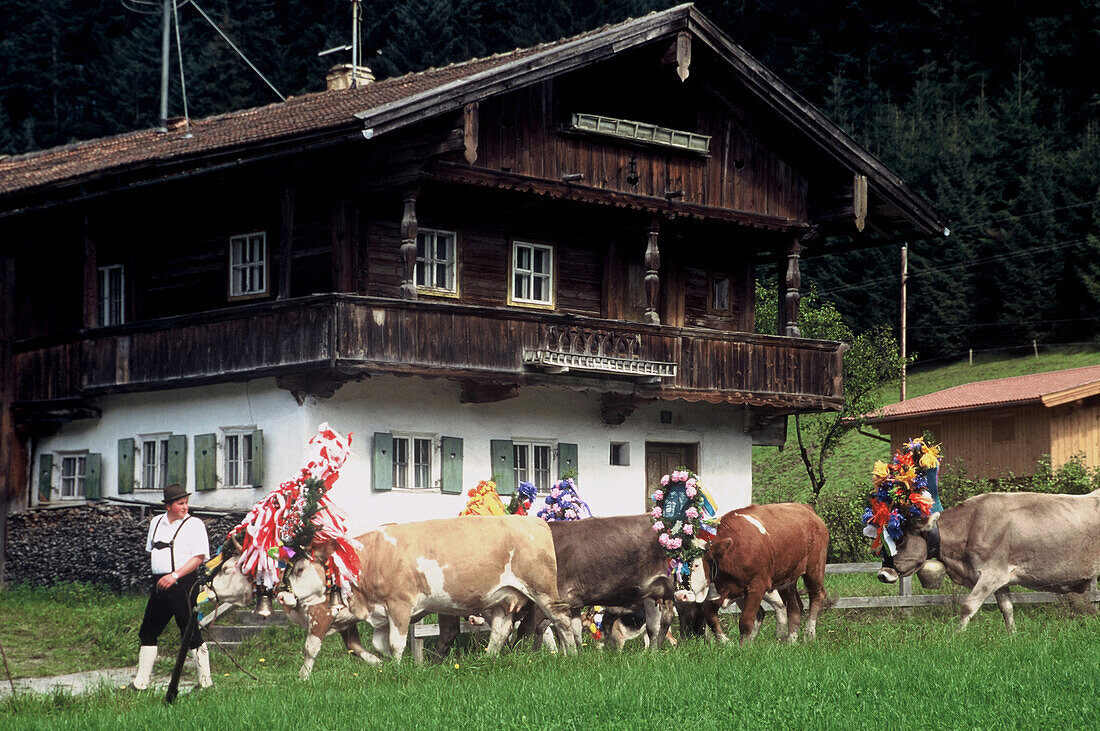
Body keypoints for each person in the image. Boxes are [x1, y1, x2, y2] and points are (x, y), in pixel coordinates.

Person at [127, 483, 212, 691]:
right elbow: (153, 551)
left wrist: (175, 575)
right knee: (147, 632)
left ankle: (206, 683)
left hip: (184, 584)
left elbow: (199, 558)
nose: (185, 507)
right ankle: (141, 683)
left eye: (186, 502)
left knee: (191, 633)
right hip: (159, 584)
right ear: (168, 506)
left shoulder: (195, 524)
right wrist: (163, 577)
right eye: (180, 503)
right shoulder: (156, 522)